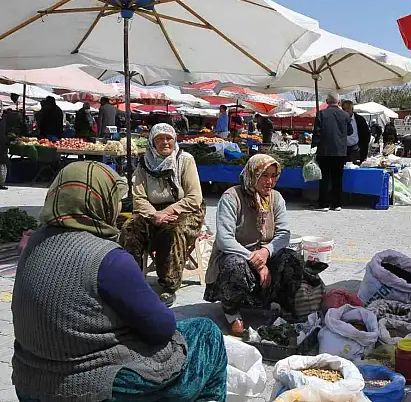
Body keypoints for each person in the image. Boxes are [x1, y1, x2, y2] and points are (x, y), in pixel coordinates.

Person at [11, 161, 227, 402]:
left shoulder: (34, 242)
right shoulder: (108, 259)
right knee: (206, 333)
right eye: (116, 199)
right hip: (86, 387)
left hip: (29, 380)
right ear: (100, 202)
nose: (119, 206)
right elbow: (162, 328)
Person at [204, 155, 319, 336]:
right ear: (253, 174)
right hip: (238, 255)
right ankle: (232, 312)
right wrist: (256, 261)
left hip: (265, 256)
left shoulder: (276, 198)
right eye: (264, 175)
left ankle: (286, 306)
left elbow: (283, 234)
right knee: (234, 265)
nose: (269, 181)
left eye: (273, 176)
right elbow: (225, 239)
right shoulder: (231, 197)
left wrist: (266, 252)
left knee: (292, 258)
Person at [119, 123, 205, 307]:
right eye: (160, 139)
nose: (165, 142)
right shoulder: (144, 164)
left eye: (169, 138)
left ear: (174, 140)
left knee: (172, 231)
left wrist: (167, 212)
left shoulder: (185, 160)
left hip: (185, 208)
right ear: (152, 142)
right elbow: (139, 198)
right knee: (130, 228)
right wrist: (154, 215)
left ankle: (169, 285)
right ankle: (130, 280)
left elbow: (194, 197)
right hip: (153, 210)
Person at [311, 93, 353, 211]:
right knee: (337, 178)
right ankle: (336, 204)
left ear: (326, 101)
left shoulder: (321, 114)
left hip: (324, 151)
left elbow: (317, 132)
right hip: (340, 151)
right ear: (339, 102)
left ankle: (323, 204)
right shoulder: (345, 115)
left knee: (324, 178)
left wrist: (313, 146)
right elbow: (350, 131)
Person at [0, 109, 8, 190]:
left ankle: (1, 183)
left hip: (2, 144)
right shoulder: (3, 120)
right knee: (2, 164)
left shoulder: (4, 120)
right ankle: (1, 183)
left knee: (2, 164)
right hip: (2, 144)